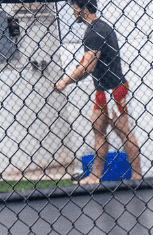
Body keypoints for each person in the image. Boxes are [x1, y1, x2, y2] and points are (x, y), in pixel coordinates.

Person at [53, 0, 143, 183]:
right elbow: (87, 63)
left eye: (75, 9)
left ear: (84, 9)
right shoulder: (95, 29)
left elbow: (87, 67)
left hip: (114, 90)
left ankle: (137, 175)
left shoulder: (95, 32)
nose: (72, 13)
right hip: (104, 90)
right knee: (98, 129)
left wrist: (64, 82)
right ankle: (95, 176)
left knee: (123, 132)